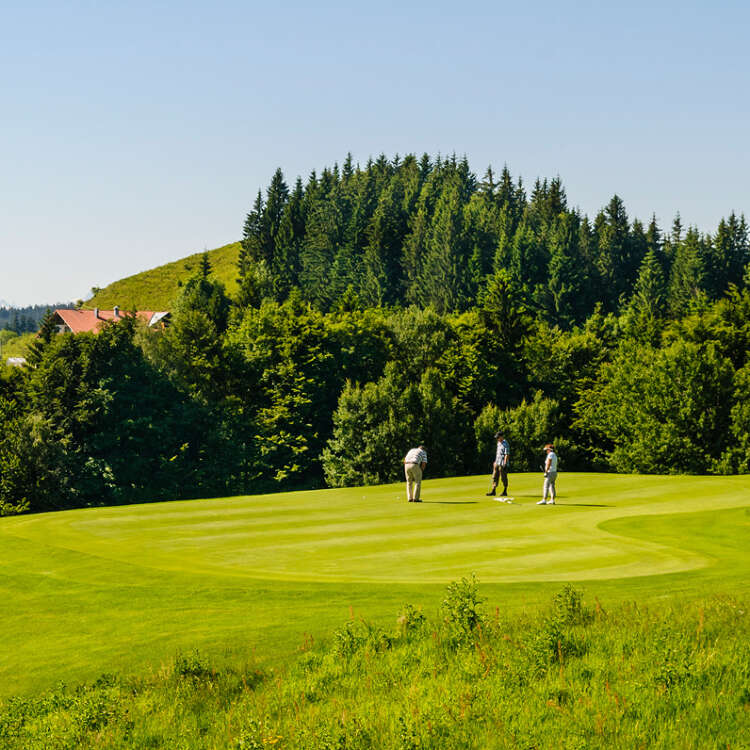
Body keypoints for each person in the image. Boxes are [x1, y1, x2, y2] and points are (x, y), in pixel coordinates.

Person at [486, 432, 509, 497]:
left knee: (503, 477)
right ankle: (493, 491)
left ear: (502, 436)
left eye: (498, 437)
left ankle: (505, 491)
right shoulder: (498, 443)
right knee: (494, 476)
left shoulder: (506, 444)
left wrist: (505, 463)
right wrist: (495, 461)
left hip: (502, 463)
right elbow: (497, 453)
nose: (497, 439)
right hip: (497, 462)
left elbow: (507, 454)